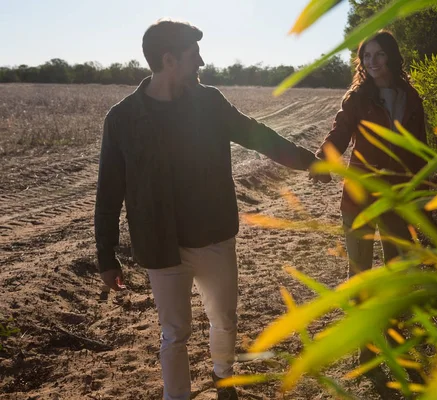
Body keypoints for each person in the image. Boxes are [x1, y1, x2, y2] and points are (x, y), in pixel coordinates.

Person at [95, 19, 318, 400]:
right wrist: (106, 255)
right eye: (193, 55)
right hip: (159, 244)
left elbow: (256, 135)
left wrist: (308, 162)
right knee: (174, 332)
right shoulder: (122, 119)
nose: (201, 62)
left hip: (214, 237)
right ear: (169, 60)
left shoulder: (209, 103)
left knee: (224, 319)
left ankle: (222, 375)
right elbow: (109, 190)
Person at [311, 30, 428, 363]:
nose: (372, 62)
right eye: (366, 56)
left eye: (378, 54)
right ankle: (365, 346)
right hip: (360, 196)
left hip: (398, 196)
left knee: (396, 270)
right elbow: (340, 133)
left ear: (391, 56)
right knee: (360, 269)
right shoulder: (357, 98)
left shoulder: (411, 97)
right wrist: (323, 161)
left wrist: (422, 192)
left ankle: (393, 338)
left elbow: (420, 148)